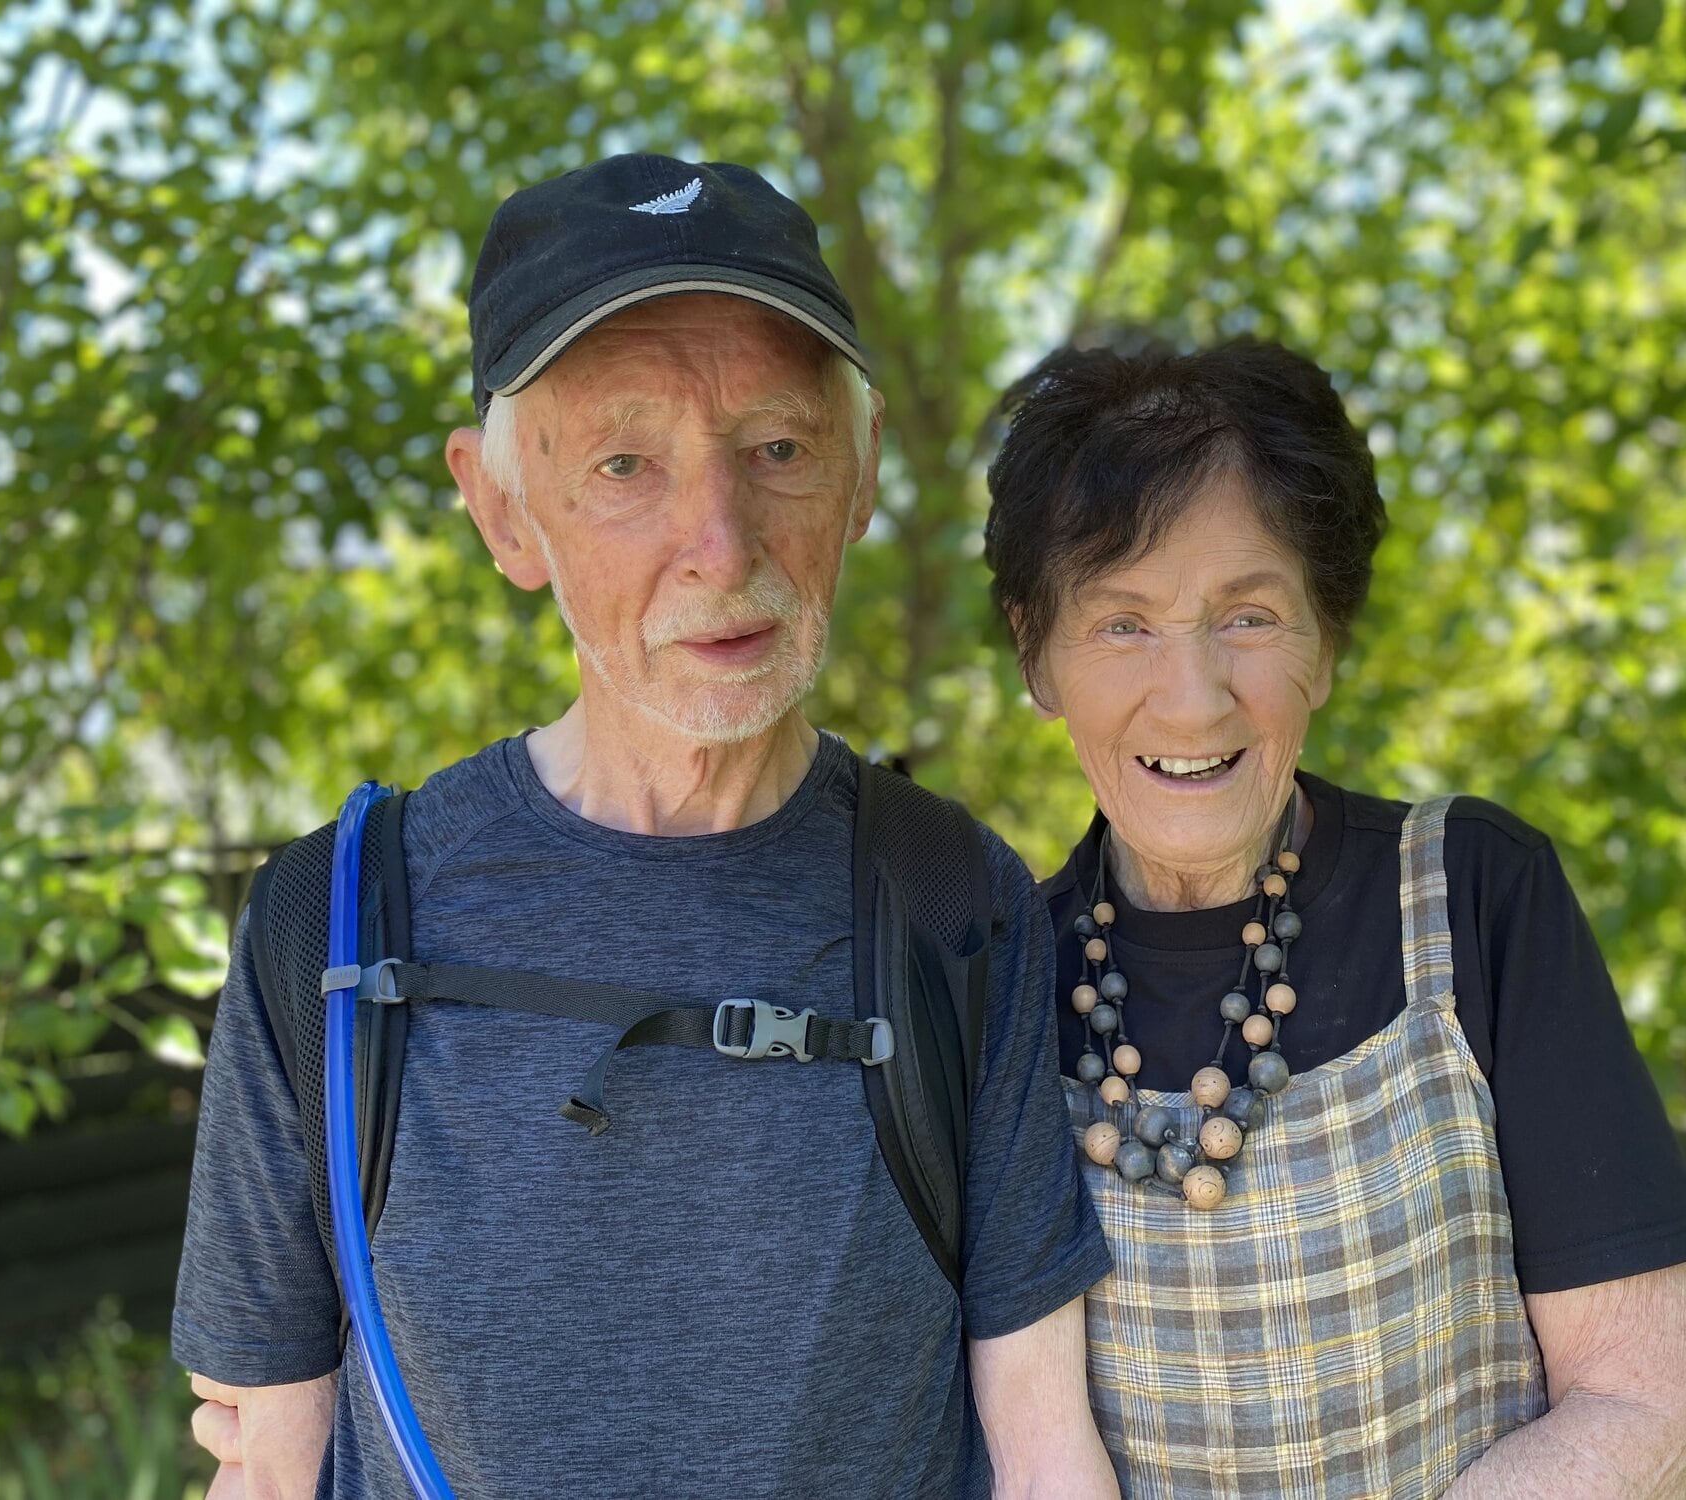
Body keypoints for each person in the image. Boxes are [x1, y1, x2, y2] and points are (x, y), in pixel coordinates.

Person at [172, 154, 1116, 1499]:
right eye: (626, 463)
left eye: (779, 449)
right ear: (503, 510)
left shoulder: (957, 900)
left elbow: (1041, 1450)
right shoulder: (329, 924)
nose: (721, 546)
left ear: (861, 474)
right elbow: (268, 1470)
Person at [981, 339, 1686, 1498]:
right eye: (1122, 623)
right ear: (1037, 657)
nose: (1191, 697)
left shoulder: (1470, 894)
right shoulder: (998, 986)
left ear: (1324, 642)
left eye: (1247, 616)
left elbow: (1656, 1408)